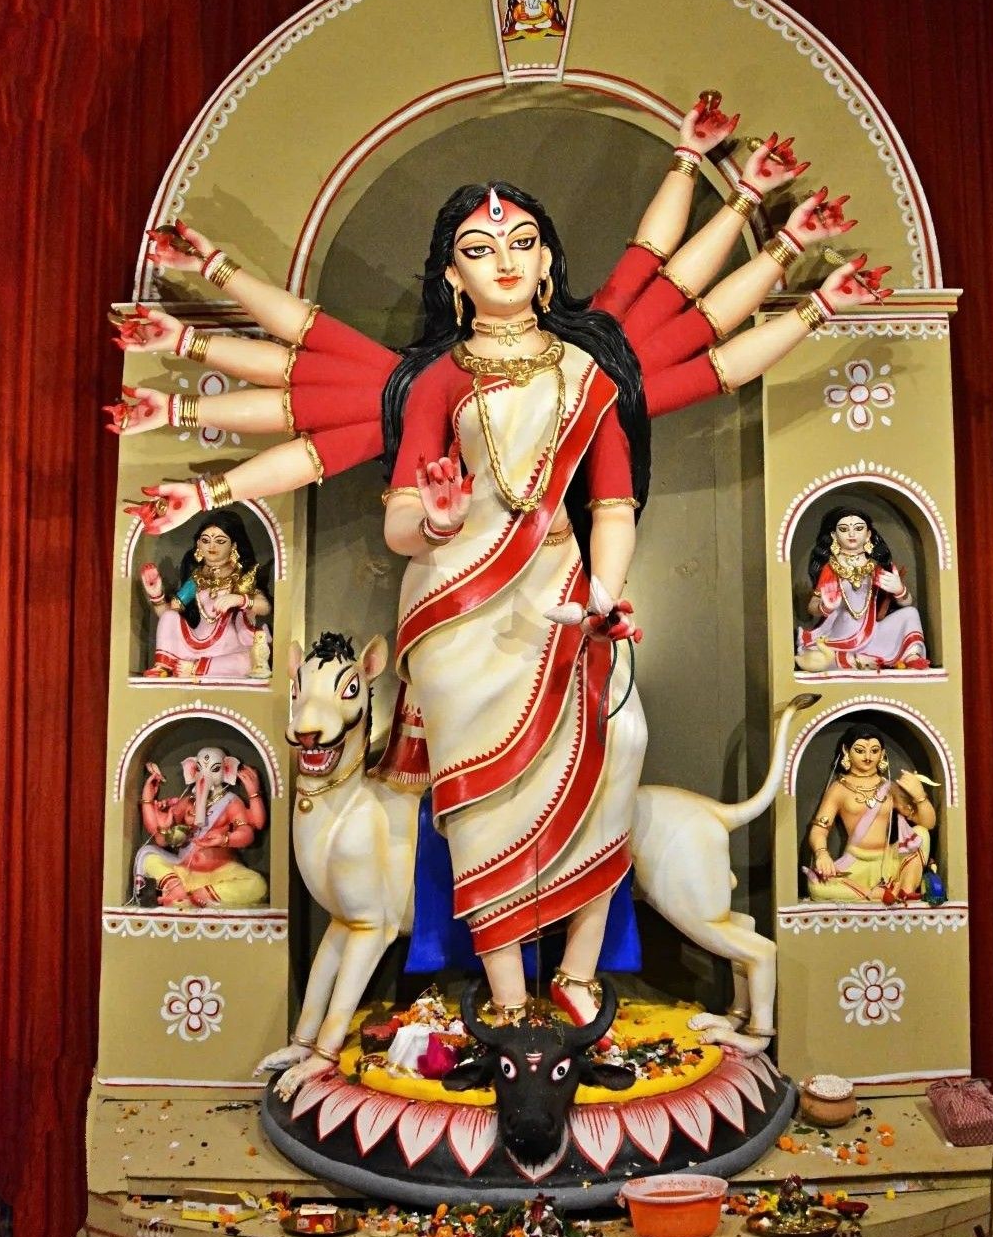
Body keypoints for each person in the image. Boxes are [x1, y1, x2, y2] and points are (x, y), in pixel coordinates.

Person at [113, 95, 890, 1025]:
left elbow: (612, 502)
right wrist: (436, 520)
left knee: (618, 751)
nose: (506, 260)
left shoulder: (587, 370)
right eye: (479, 249)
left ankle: (579, 972)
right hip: (456, 608)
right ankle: (510, 994)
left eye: (522, 242)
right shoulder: (437, 378)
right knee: (480, 801)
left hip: (565, 596)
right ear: (452, 275)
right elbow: (401, 518)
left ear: (549, 260)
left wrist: (603, 594)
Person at [805, 724, 938, 903]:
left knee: (921, 834)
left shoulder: (889, 788)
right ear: (846, 751)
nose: (868, 757)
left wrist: (920, 796)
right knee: (816, 887)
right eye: (860, 750)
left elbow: (928, 823)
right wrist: (822, 853)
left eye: (874, 751)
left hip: (887, 862)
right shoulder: (839, 789)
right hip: (855, 864)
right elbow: (819, 829)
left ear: (882, 754)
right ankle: (878, 894)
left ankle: (905, 890)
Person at [137, 509, 271, 678]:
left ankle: (195, 668)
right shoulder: (197, 580)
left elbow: (265, 607)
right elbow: (168, 616)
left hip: (228, 650)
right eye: (206, 540)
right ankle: (163, 667)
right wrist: (156, 595)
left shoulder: (240, 579)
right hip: (194, 646)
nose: (212, 546)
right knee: (170, 616)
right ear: (198, 545)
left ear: (233, 546)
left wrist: (239, 599)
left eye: (220, 541)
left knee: (246, 663)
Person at [796, 507, 928, 671]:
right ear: (834, 535)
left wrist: (899, 590)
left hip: (874, 632)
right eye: (844, 529)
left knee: (911, 613)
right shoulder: (831, 568)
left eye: (858, 528)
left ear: (868, 534)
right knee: (820, 656)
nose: (851, 534)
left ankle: (912, 657)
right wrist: (825, 607)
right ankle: (855, 660)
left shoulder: (877, 567)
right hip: (841, 632)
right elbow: (813, 606)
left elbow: (906, 602)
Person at [134, 747, 268, 907]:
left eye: (214, 769)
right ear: (191, 769)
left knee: (257, 884)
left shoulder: (231, 802)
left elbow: (247, 833)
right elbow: (160, 839)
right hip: (184, 872)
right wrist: (149, 801)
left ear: (227, 769)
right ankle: (176, 890)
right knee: (148, 856)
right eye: (199, 768)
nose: (205, 775)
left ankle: (198, 895)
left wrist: (224, 839)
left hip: (220, 873)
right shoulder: (187, 802)